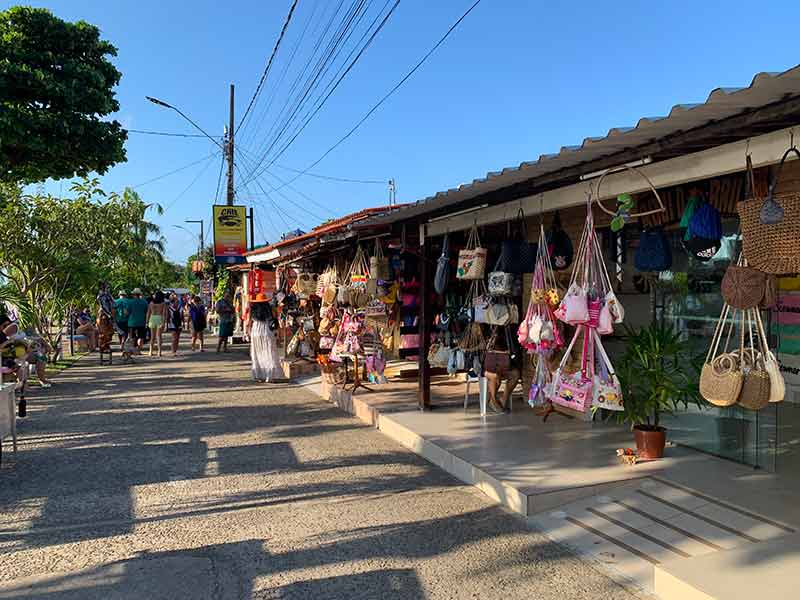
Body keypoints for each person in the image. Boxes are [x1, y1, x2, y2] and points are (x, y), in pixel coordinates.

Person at [245, 293, 282, 382]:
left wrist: (246, 333)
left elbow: (248, 322)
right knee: (269, 352)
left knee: (257, 353)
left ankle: (258, 375)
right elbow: (274, 321)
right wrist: (278, 333)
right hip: (267, 330)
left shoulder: (252, 310)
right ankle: (270, 376)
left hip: (256, 331)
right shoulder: (270, 309)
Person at [146, 290, 168, 357]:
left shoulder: (151, 303)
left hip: (152, 318)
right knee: (159, 336)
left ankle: (150, 351)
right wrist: (165, 322)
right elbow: (164, 314)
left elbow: (148, 313)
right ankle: (159, 351)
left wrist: (146, 322)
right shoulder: (163, 304)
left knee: (152, 337)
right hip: (159, 318)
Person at [167, 292, 183, 356]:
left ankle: (175, 350)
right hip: (173, 324)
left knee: (177, 338)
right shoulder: (169, 308)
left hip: (177, 324)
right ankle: (173, 351)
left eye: (177, 302)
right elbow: (168, 317)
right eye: (174, 302)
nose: (175, 303)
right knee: (174, 338)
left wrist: (183, 324)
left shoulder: (179, 308)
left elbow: (182, 316)